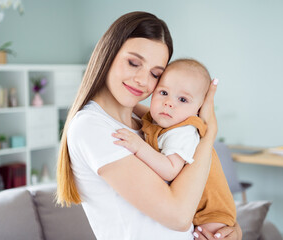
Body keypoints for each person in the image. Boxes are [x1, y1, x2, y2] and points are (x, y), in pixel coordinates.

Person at [56, 11, 242, 240]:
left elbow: (196, 195)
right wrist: (209, 133)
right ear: (108, 54)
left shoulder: (149, 127)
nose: (143, 81)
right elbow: (178, 217)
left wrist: (229, 229)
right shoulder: (92, 127)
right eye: (134, 63)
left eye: (155, 74)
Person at [112, 58, 236, 236]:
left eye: (183, 99)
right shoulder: (165, 119)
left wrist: (139, 146)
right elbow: (143, 112)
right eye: (163, 93)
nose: (169, 103)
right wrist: (124, 102)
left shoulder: (183, 132)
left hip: (210, 212)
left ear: (199, 109)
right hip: (189, 205)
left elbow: (170, 169)